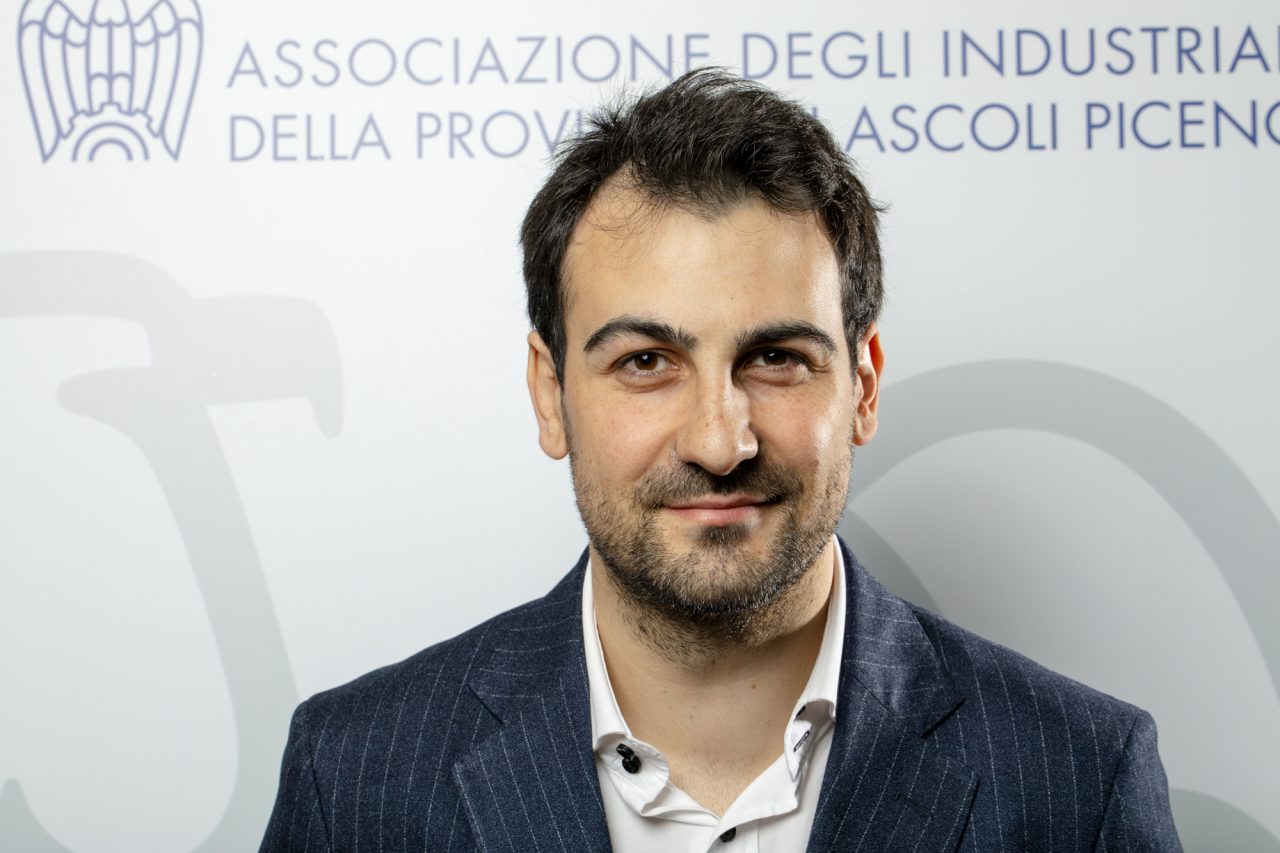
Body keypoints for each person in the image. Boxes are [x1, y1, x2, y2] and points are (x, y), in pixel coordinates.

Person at [259, 69, 1181, 852]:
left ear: (862, 388)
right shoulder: (356, 780)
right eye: (646, 362)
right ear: (550, 394)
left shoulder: (1080, 784)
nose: (718, 441)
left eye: (775, 358)